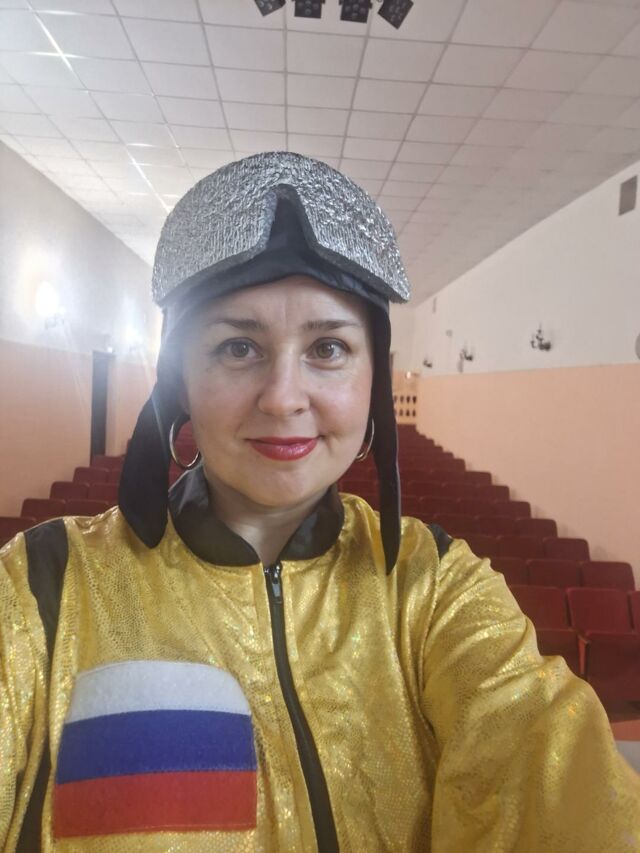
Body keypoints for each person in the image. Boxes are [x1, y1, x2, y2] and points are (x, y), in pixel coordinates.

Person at [1, 152, 638, 852]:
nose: (283, 397)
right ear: (180, 377)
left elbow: (555, 772)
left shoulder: (433, 588)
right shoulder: (42, 589)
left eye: (328, 347)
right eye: (238, 346)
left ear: (373, 381)